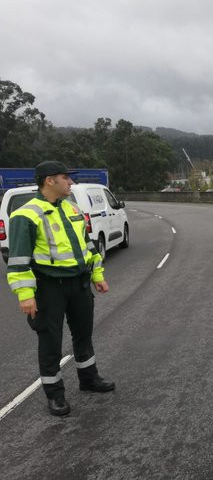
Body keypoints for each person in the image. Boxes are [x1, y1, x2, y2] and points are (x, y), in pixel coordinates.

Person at [6, 161, 115, 416]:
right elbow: (19, 260)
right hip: (48, 288)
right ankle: (55, 395)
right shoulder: (26, 214)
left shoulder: (72, 209)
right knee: (50, 341)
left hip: (78, 283)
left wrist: (97, 274)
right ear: (49, 181)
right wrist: (26, 295)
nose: (71, 183)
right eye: (65, 178)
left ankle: (89, 379)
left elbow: (87, 247)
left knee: (83, 333)